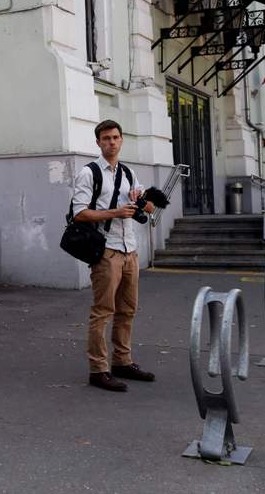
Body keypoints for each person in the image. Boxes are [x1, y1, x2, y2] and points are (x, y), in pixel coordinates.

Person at [71, 120, 157, 392]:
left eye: (115, 137)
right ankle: (98, 370)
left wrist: (142, 202)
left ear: (121, 140)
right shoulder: (90, 173)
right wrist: (115, 213)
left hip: (129, 249)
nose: (111, 142)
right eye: (106, 138)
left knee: (127, 310)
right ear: (98, 142)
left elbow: (150, 208)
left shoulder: (130, 173)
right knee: (103, 312)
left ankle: (122, 361)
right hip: (105, 250)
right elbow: (79, 212)